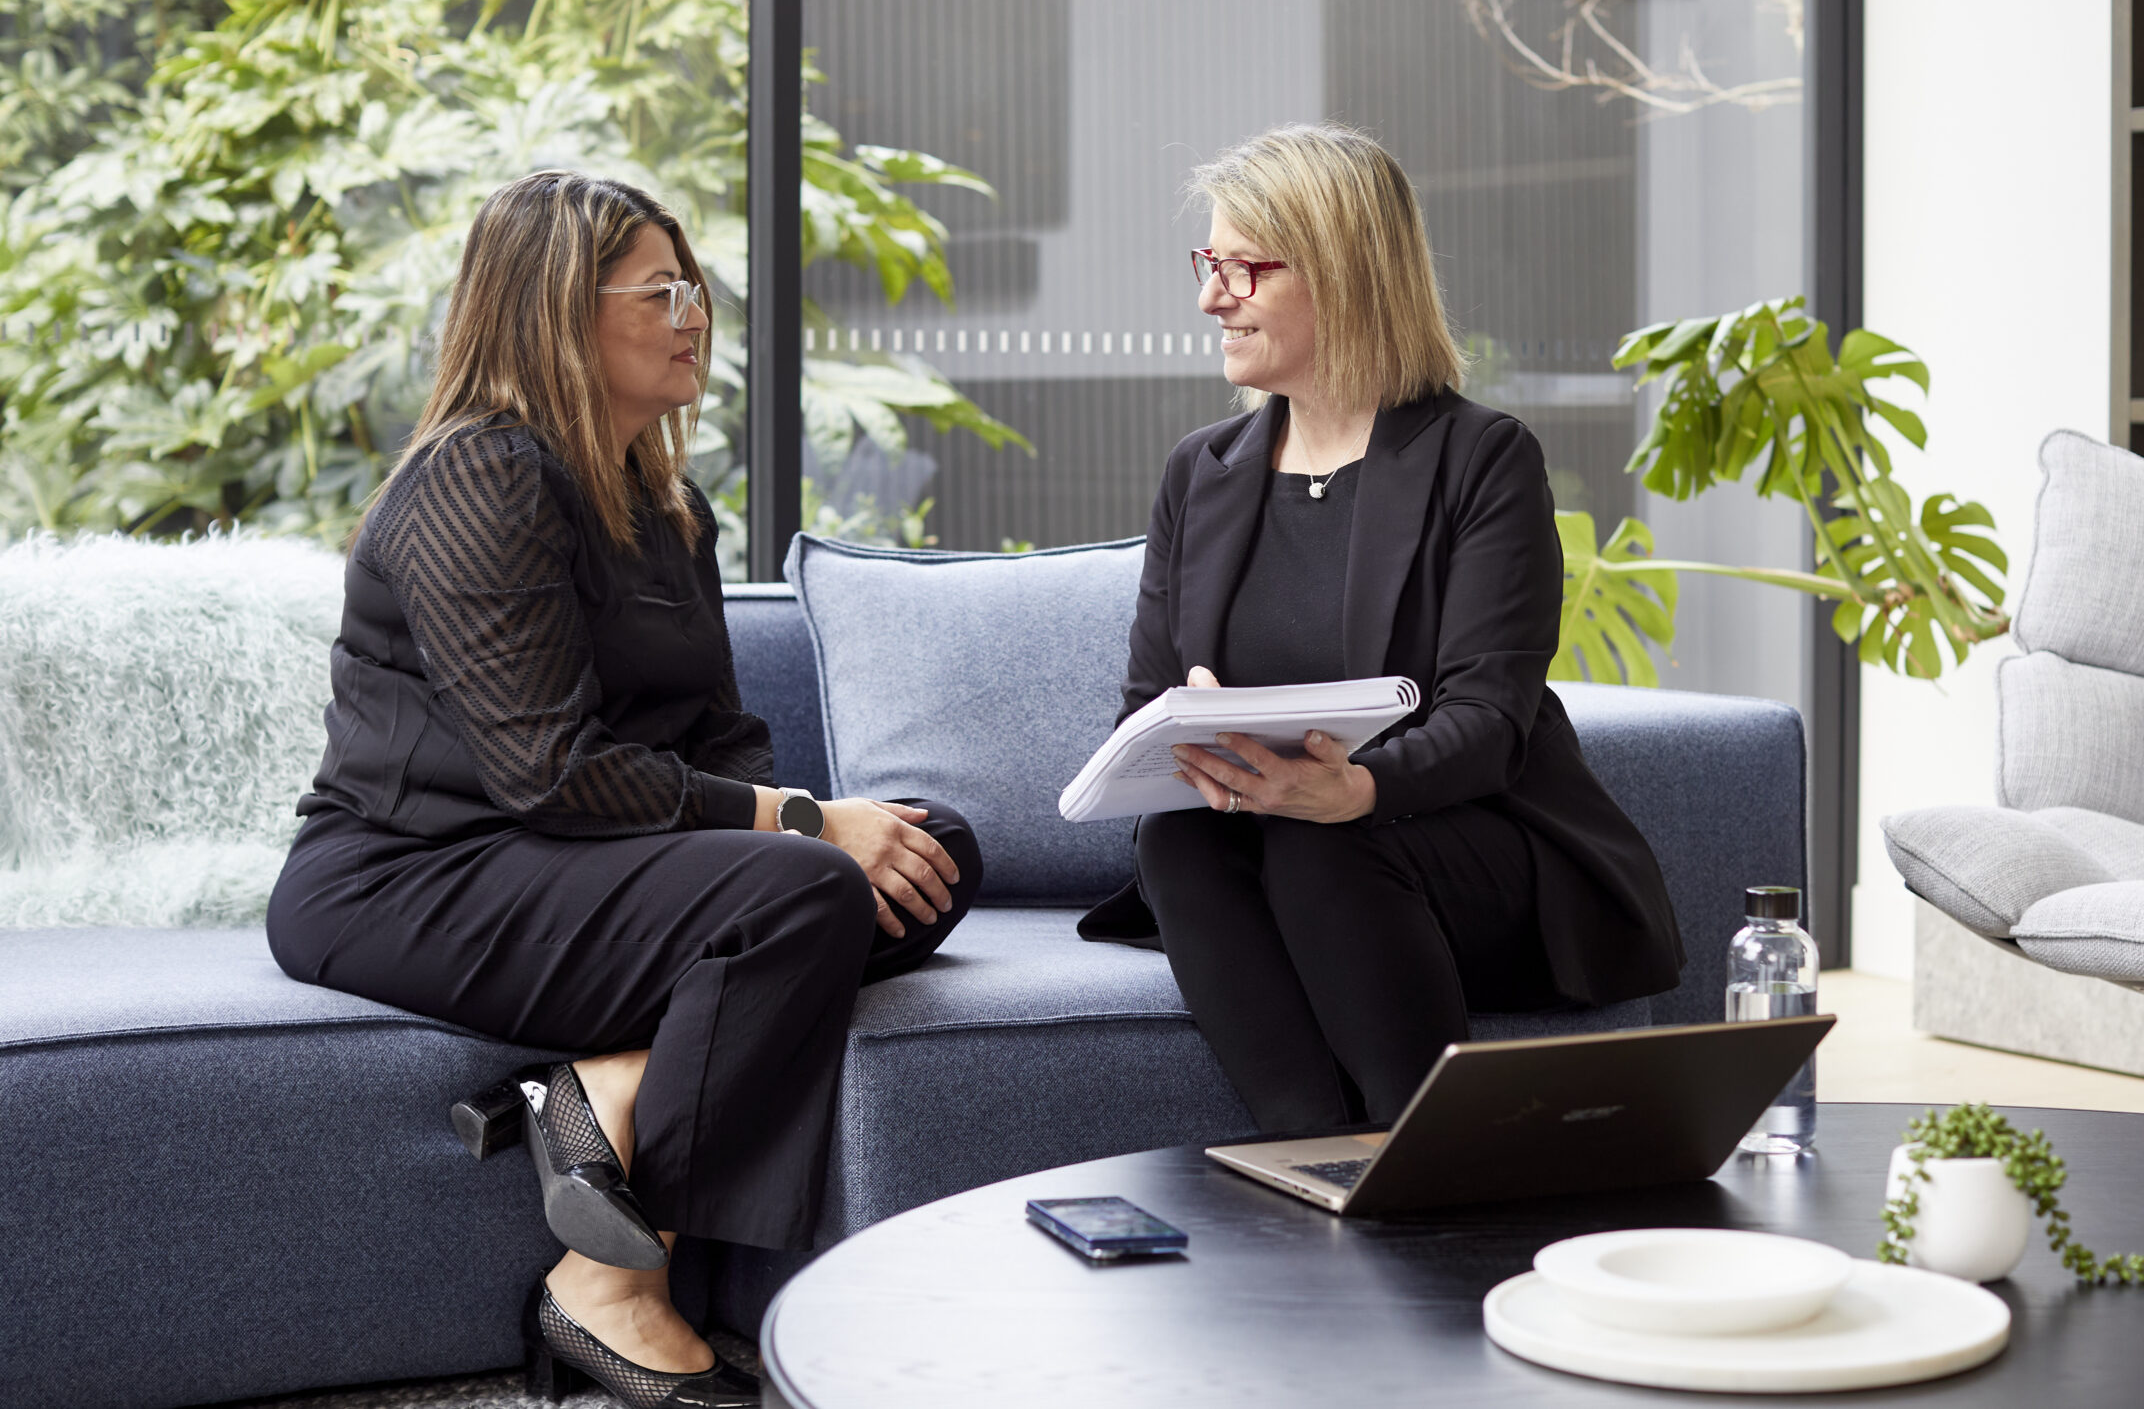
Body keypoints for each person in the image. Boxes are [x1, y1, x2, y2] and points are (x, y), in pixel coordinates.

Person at [267, 171, 982, 1409]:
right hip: (414, 875)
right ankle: (609, 1281)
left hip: (575, 866)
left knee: (936, 850)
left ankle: (603, 1089)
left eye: (692, 284)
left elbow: (722, 734)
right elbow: (549, 774)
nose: (692, 310)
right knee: (810, 882)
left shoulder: (670, 505)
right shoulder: (476, 480)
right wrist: (807, 828)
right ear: (556, 312)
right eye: (657, 290)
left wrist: (816, 828)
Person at [1077, 123, 1684, 1133]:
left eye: (1242, 269)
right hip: (1264, 843)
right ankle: (1315, 1154)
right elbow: (1146, 703)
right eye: (1208, 263)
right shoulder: (1203, 470)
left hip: (1459, 845)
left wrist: (1353, 788)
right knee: (1176, 843)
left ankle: (1424, 1155)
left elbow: (1492, 718)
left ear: (1343, 274)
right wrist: (1191, 732)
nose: (1209, 297)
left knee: (1324, 844)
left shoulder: (1481, 459)